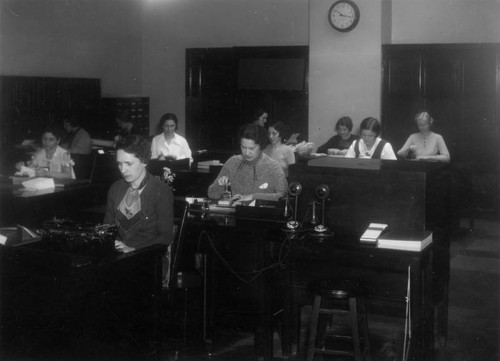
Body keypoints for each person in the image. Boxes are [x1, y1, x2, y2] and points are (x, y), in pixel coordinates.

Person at [104, 135, 174, 253]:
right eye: (119, 164)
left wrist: (134, 250)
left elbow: (165, 237)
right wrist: (112, 242)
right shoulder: (116, 188)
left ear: (144, 161)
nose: (122, 170)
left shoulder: (161, 191)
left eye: (128, 164)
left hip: (146, 255)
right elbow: (107, 227)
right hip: (119, 254)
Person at [208, 123, 287, 203]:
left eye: (252, 148)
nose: (247, 152)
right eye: (243, 147)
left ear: (261, 146)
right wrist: (219, 184)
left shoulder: (272, 167)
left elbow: (284, 196)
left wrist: (254, 197)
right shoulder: (233, 162)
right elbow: (212, 194)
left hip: (262, 214)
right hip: (236, 213)